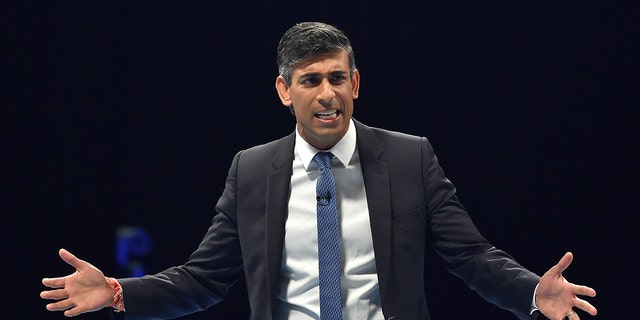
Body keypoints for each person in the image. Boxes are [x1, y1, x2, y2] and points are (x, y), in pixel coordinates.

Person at [41, 22, 597, 320]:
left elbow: (472, 257)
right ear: (285, 91)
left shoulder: (409, 159)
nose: (326, 94)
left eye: (337, 78)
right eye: (310, 81)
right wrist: (118, 291)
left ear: (355, 84)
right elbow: (204, 279)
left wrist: (532, 293)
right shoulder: (252, 170)